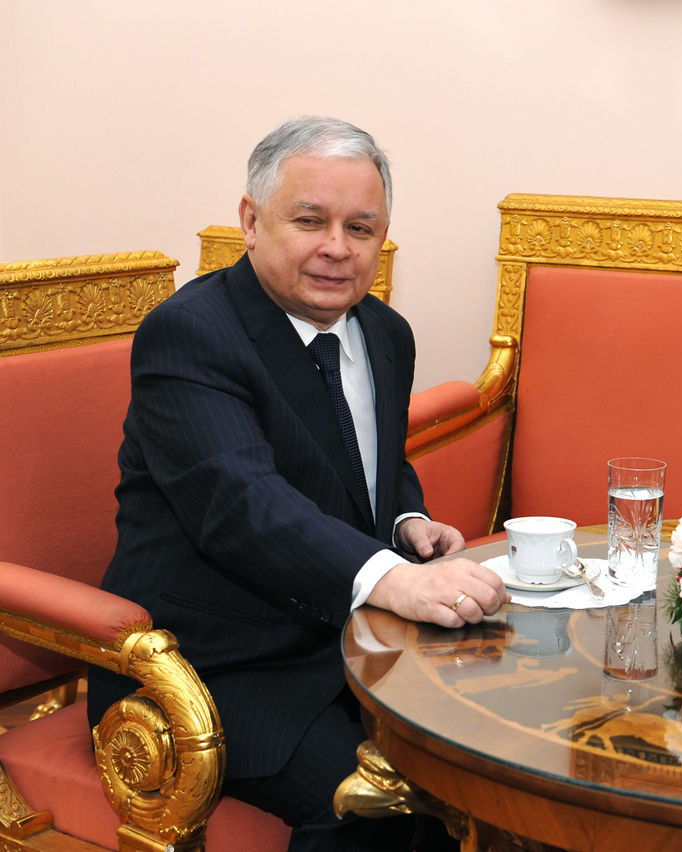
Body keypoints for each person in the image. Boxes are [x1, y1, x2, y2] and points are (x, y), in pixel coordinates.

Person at [88, 117, 509, 851]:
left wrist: (405, 516)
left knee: (496, 764)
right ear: (251, 221)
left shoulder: (383, 332)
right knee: (388, 811)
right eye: (309, 220)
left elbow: (362, 460)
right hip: (215, 662)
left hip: (349, 642)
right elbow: (241, 503)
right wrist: (392, 579)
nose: (337, 248)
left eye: (361, 227)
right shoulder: (192, 334)